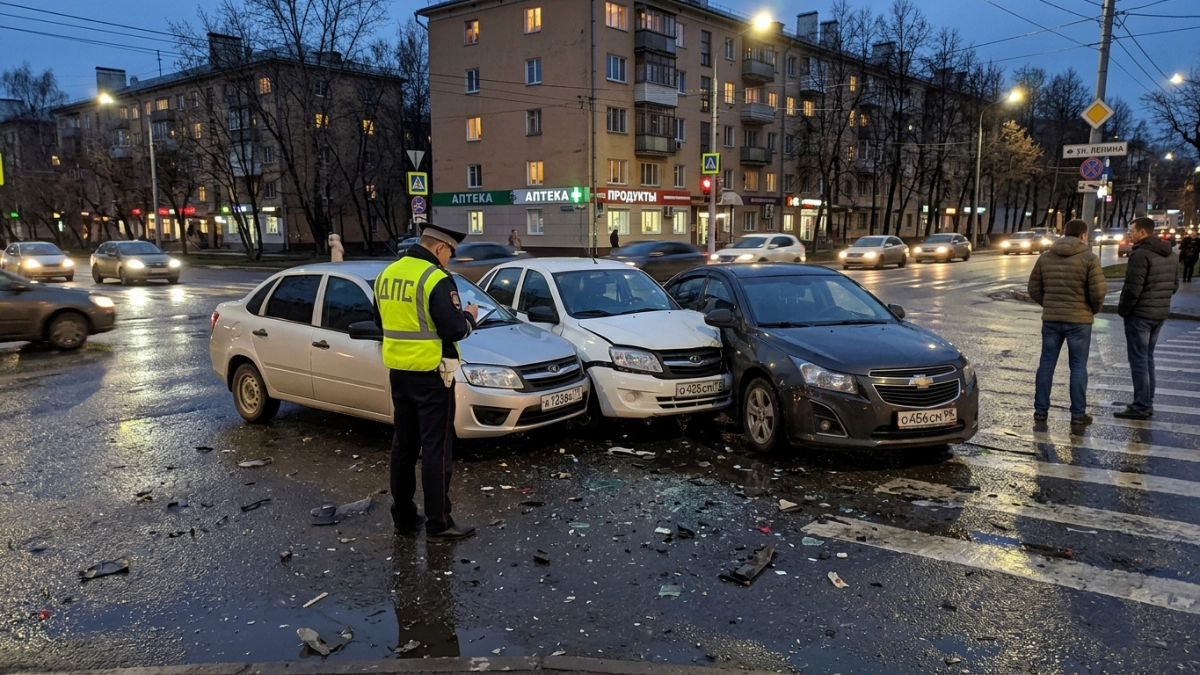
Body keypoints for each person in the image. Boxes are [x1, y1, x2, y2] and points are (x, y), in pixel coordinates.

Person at [374, 222, 479, 540]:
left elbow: (381, 321)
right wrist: (470, 317)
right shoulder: (435, 278)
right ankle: (439, 523)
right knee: (436, 449)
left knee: (403, 447)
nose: (449, 261)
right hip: (433, 375)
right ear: (440, 248)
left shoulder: (386, 275)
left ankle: (404, 518)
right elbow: (453, 329)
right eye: (450, 254)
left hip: (399, 373)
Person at [1027, 219, 1107, 426]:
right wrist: (1091, 310)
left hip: (1052, 320)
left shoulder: (1045, 257)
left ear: (1064, 233)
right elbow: (1098, 292)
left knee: (1046, 365)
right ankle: (1078, 414)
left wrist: (1049, 304)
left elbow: (1033, 288)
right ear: (1083, 235)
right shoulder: (1090, 258)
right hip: (1080, 321)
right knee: (1078, 367)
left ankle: (1040, 411)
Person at [1114, 216, 1180, 420]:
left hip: (1140, 315)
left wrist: (1123, 310)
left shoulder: (1140, 254)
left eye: (1132, 231)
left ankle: (1141, 405)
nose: (1129, 234)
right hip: (1160, 313)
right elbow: (1174, 285)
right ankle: (1146, 401)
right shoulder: (1170, 253)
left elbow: (1133, 289)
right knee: (1147, 358)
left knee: (1139, 360)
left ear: (1142, 232)